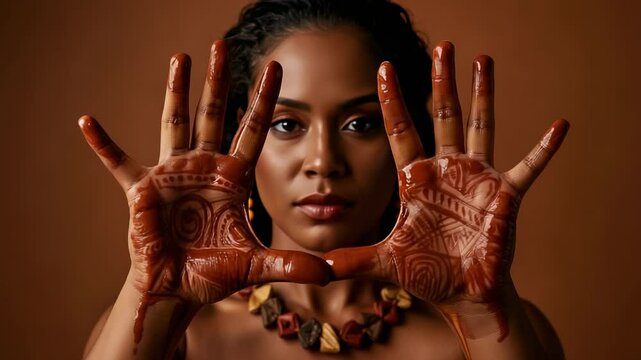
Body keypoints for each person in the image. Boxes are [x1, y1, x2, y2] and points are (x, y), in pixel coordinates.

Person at [80, 0, 568, 359]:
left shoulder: (491, 330)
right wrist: (156, 295)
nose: (323, 161)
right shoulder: (180, 337)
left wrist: (481, 312)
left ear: (410, 141)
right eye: (286, 124)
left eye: (360, 123)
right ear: (237, 144)